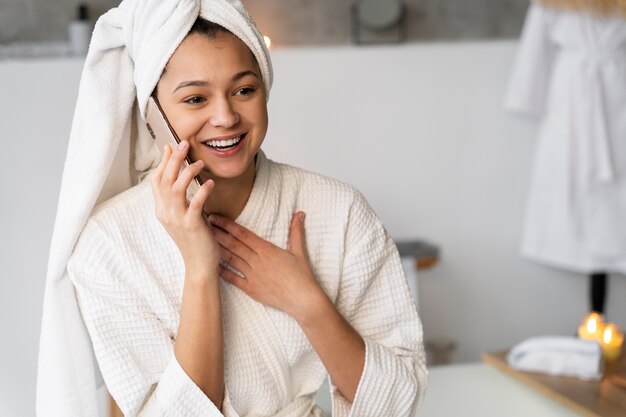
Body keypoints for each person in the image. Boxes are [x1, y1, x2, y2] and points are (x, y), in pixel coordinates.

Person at [36, 1, 427, 416]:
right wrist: (200, 271)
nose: (225, 117)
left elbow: (401, 400)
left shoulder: (338, 210)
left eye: (244, 90)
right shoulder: (108, 244)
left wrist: (308, 303)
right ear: (153, 113)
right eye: (195, 99)